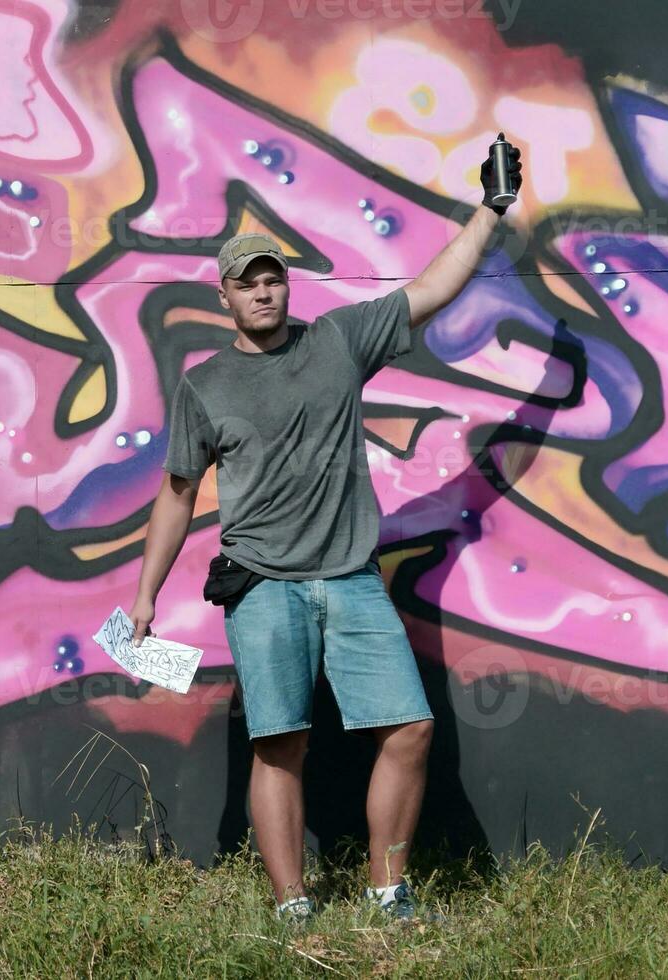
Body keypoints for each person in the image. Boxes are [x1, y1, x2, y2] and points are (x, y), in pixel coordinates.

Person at [128, 141, 522, 925]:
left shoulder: (337, 342)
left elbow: (433, 289)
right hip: (262, 587)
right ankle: (292, 907)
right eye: (249, 282)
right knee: (281, 744)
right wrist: (144, 599)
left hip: (349, 578)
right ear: (227, 297)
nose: (265, 291)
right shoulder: (204, 386)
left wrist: (492, 209)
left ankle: (387, 892)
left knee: (410, 728)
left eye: (273, 277)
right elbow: (176, 497)